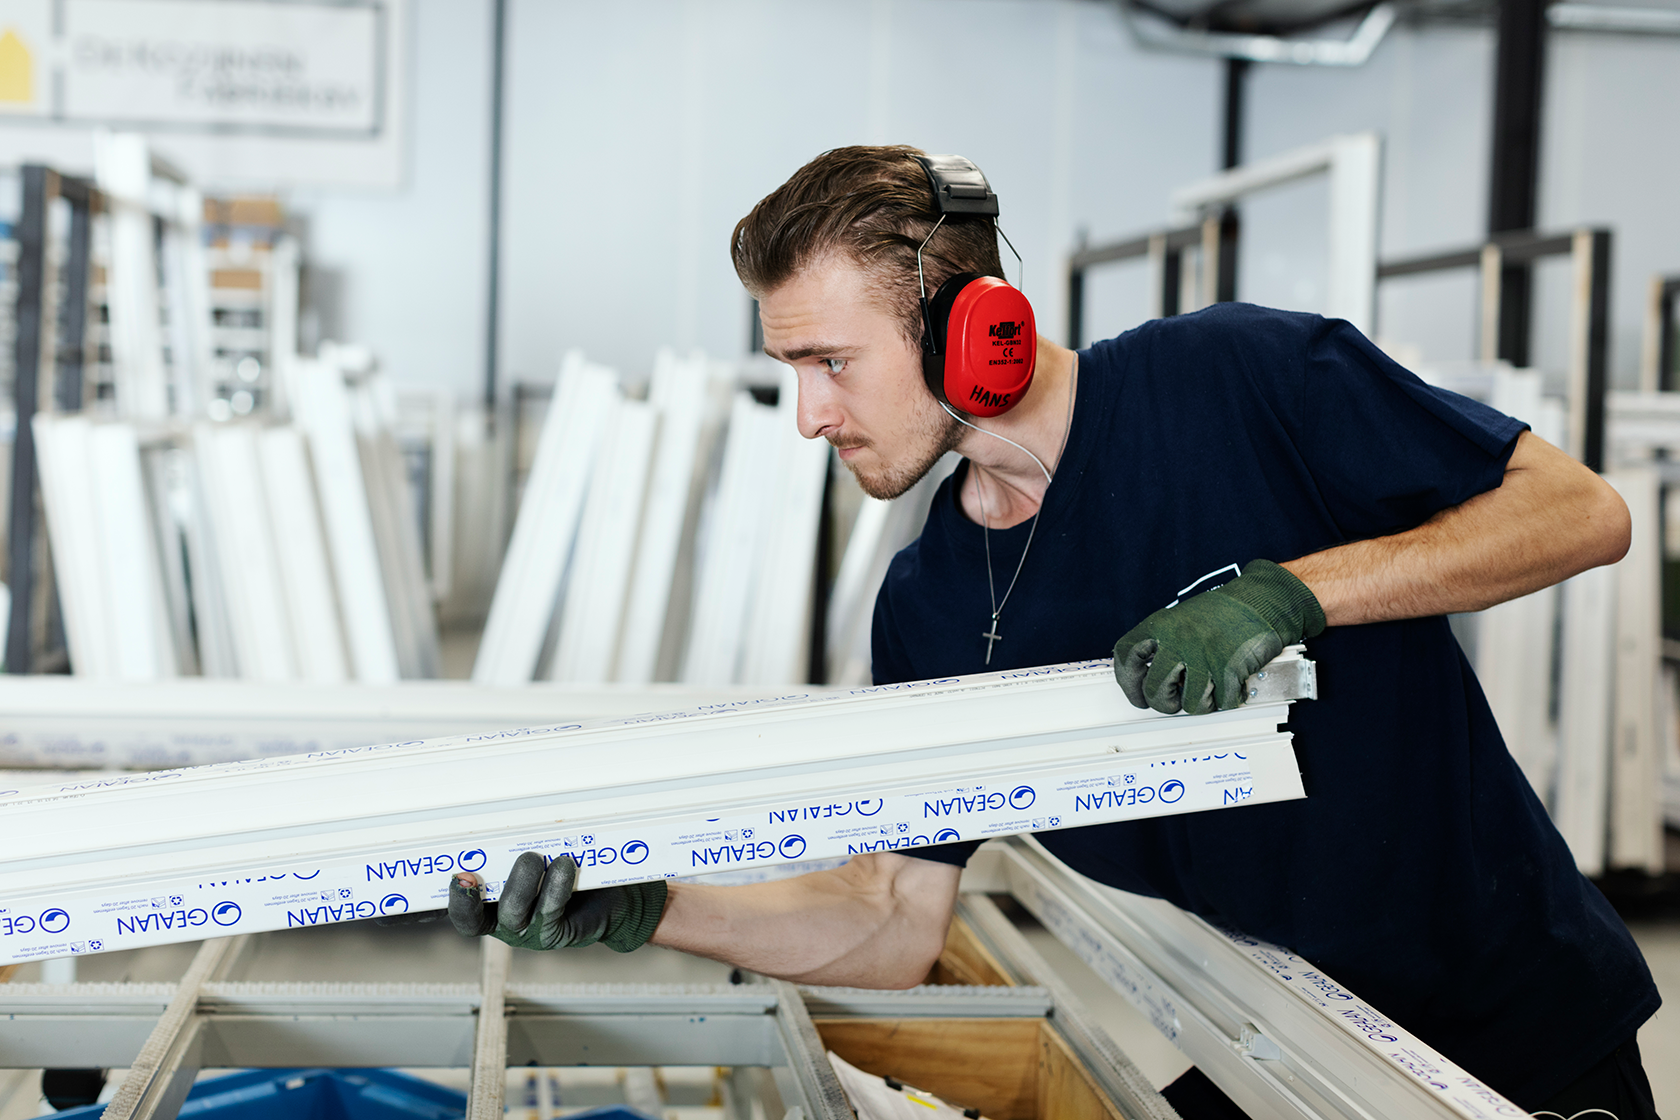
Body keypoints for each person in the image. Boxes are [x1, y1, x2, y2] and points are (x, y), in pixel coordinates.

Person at [447, 146, 1661, 1117]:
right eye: (791, 371)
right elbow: (889, 917)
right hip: (1281, 1047)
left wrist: (1292, 592)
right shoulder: (930, 603)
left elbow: (1580, 511)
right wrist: (651, 908)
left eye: (831, 363)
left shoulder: (1237, 381)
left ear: (976, 331)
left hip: (1514, 1045)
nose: (809, 417)